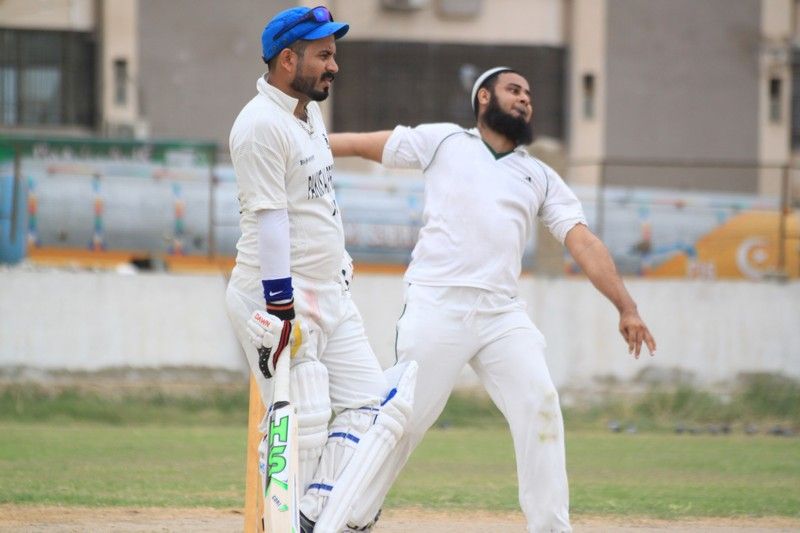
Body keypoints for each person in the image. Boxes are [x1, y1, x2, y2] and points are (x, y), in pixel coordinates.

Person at [329, 66, 657, 532]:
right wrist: (308, 145)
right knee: (402, 421)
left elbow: (582, 241)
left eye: (529, 94)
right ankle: (347, 518)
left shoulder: (538, 175)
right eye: (513, 90)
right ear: (484, 97)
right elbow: (366, 144)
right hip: (437, 305)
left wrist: (627, 307)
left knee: (540, 402)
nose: (525, 99)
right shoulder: (444, 141)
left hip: (502, 314)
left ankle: (551, 528)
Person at [224, 6, 416, 532]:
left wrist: (340, 263)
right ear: (289, 59)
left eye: (334, 54)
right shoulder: (259, 126)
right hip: (277, 295)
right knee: (304, 420)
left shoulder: (308, 115)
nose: (335, 66)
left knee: (375, 409)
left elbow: (318, 202)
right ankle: (286, 523)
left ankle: (312, 515)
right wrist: (281, 309)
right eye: (324, 55)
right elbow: (271, 219)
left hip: (329, 292)